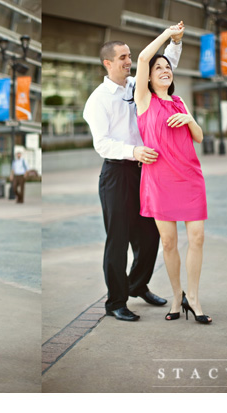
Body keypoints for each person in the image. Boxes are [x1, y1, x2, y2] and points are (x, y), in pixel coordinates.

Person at [83, 28, 183, 321]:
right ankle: (115, 301)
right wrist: (133, 151)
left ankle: (137, 285)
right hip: (117, 173)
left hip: (146, 172)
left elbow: (167, 68)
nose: (129, 62)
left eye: (129, 56)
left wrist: (174, 41)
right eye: (123, 57)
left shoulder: (136, 85)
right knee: (118, 239)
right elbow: (101, 143)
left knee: (150, 236)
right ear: (108, 63)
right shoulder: (97, 100)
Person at [133, 22, 211, 324]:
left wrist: (188, 118)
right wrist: (168, 36)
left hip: (190, 177)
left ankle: (193, 296)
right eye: (159, 68)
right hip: (159, 178)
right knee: (168, 242)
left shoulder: (179, 101)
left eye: (168, 67)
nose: (165, 70)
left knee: (198, 237)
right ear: (150, 77)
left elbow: (200, 136)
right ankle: (177, 295)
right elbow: (142, 59)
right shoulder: (144, 101)